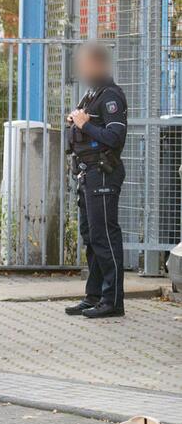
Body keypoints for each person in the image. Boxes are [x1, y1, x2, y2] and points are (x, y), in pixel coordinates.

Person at [64, 42, 127, 319]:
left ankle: (113, 300)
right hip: (87, 173)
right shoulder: (92, 93)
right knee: (91, 237)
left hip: (103, 172)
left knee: (105, 238)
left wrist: (84, 125)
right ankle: (94, 296)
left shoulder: (111, 95)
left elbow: (115, 137)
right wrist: (76, 122)